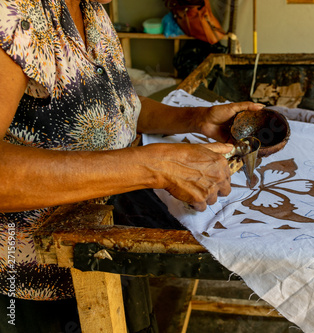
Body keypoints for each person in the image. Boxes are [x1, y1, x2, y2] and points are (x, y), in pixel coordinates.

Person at [0, 0, 263, 331]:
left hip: (110, 238)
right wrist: (152, 166)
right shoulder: (14, 12)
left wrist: (197, 118)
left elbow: (121, 108)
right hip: (31, 273)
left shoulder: (93, 9)